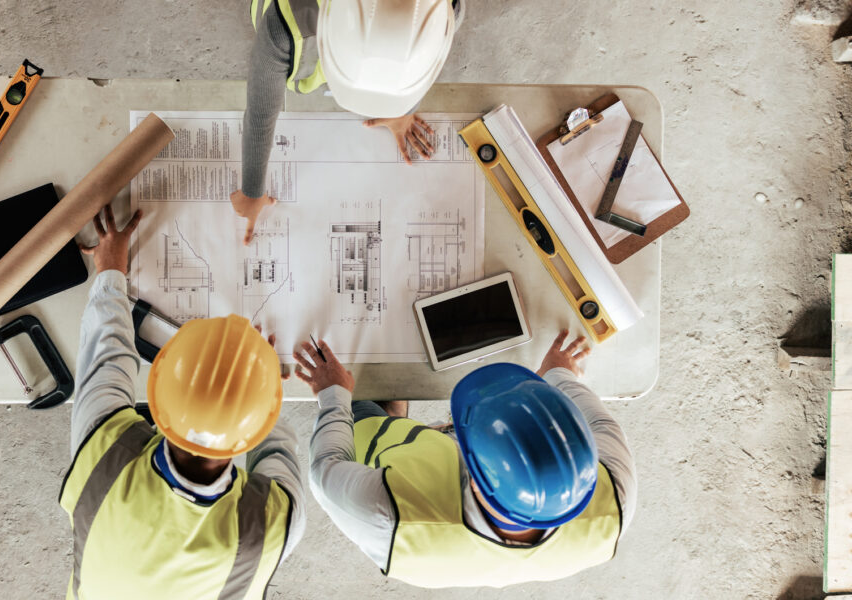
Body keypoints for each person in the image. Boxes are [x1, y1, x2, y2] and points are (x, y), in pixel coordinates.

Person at [59, 205, 306, 599]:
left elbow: (107, 353)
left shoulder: (103, 458)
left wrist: (109, 270)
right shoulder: (269, 527)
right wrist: (255, 378)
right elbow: (276, 445)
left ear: (158, 390)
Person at [297, 331, 636, 588]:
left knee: (367, 415)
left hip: (401, 479)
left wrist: (333, 393)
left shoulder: (390, 516)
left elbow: (325, 467)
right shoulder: (616, 499)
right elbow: (602, 425)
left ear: (471, 471)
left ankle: (387, 417)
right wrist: (558, 375)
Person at [233, 0, 467, 244]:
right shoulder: (284, 25)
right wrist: (251, 190)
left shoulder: (444, 12)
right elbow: (261, 114)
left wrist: (403, 109)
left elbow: (422, 62)